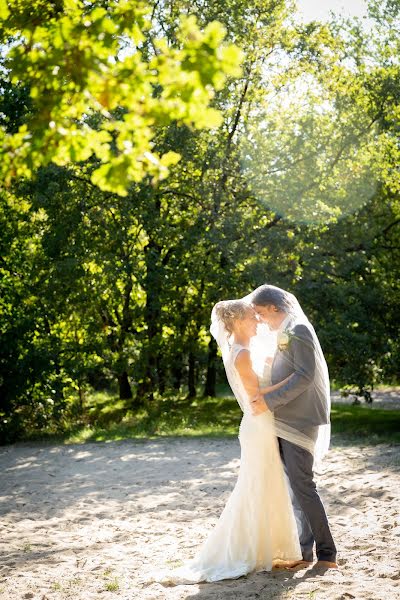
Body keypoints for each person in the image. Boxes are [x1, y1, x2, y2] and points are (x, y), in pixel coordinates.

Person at [159, 299, 302, 584]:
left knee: (267, 483)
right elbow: (256, 396)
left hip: (261, 425)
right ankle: (246, 551)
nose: (257, 321)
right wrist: (295, 381)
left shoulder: (246, 351)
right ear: (237, 322)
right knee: (254, 486)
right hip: (257, 426)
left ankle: (271, 548)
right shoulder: (242, 354)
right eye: (252, 317)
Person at [251, 284, 337, 570]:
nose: (261, 319)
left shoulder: (297, 329)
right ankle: (305, 551)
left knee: (303, 486)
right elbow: (288, 369)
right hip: (285, 419)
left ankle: (327, 554)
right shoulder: (286, 331)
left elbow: (305, 375)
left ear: (275, 307)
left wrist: (269, 401)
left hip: (299, 420)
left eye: (262, 313)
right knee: (296, 488)